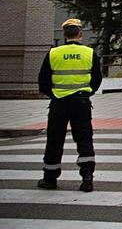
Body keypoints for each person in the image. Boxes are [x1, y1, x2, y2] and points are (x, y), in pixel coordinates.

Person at [37, 18, 102, 192]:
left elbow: (43, 80)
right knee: (84, 138)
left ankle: (50, 178)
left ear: (65, 34)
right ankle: (87, 177)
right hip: (81, 102)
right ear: (80, 33)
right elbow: (97, 78)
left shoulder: (53, 53)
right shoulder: (89, 53)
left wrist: (54, 94)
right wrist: (87, 92)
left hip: (59, 102)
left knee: (54, 140)